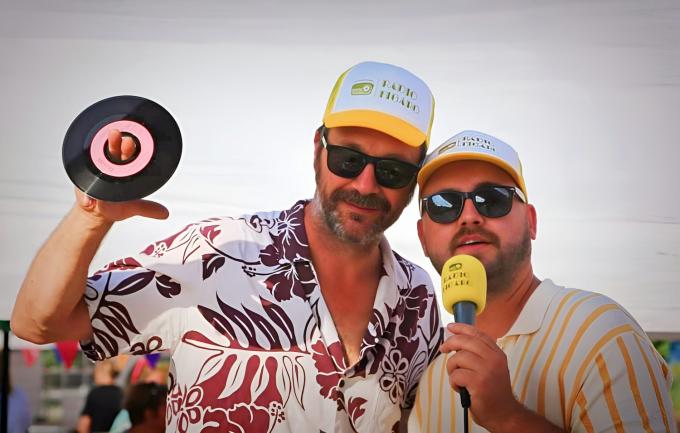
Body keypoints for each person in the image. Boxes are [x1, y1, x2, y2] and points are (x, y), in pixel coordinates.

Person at [11, 61, 443, 432]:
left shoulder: (418, 295)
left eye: (392, 171)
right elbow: (38, 324)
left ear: (414, 180)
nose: (365, 184)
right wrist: (91, 217)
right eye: (348, 160)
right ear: (318, 149)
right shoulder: (218, 250)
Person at [409, 130, 676, 432]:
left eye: (492, 199)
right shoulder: (430, 379)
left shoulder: (602, 333)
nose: (469, 216)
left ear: (531, 222)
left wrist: (506, 416)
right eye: (443, 205)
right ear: (422, 237)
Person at [77, 359, 123, 433]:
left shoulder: (95, 393)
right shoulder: (122, 393)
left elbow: (83, 425)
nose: (93, 376)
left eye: (95, 372)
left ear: (101, 373)